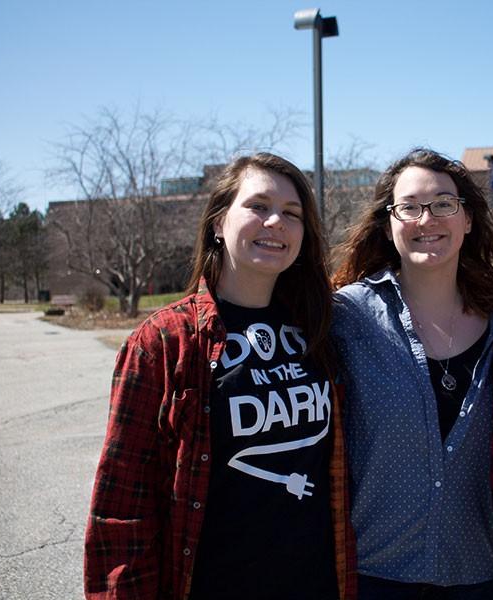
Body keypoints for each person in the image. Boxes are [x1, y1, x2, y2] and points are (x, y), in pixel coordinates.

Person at [84, 153, 355, 600]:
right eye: (258, 206)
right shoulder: (164, 342)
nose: (276, 222)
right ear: (217, 222)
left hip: (318, 583)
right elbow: (120, 508)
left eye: (292, 213)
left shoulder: (322, 329)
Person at [331, 148, 493, 599]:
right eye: (409, 207)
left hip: (478, 572)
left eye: (444, 205)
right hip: (373, 573)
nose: (426, 220)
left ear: (468, 219)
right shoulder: (346, 317)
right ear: (389, 222)